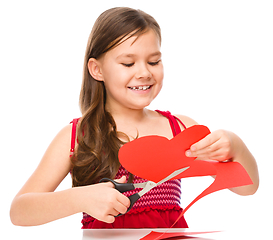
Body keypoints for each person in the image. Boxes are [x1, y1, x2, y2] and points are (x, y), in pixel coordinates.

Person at [10, 7, 259, 229]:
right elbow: (20, 211)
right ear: (97, 70)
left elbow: (246, 187)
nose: (144, 72)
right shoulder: (77, 136)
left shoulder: (180, 128)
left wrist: (236, 146)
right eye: (128, 63)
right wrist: (80, 198)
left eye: (154, 61)